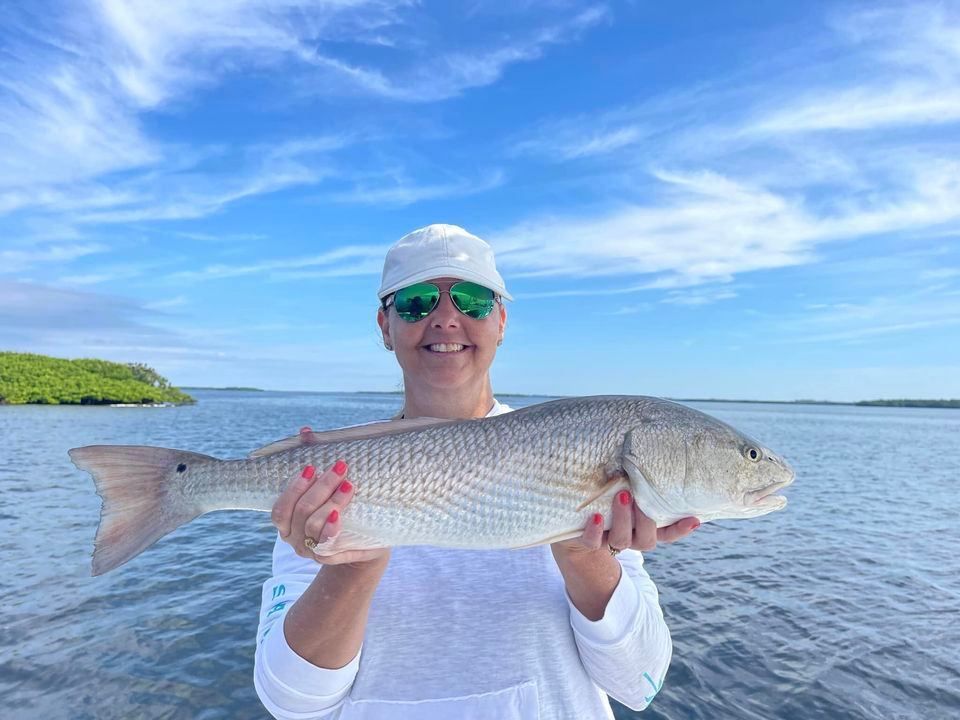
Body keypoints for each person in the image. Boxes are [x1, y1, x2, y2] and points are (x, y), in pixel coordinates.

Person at [253, 223, 699, 719]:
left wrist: (584, 554)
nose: (446, 318)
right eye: (417, 301)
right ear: (385, 326)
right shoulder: (333, 478)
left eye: (472, 300)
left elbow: (640, 684)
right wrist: (353, 569)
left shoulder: (582, 448)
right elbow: (290, 703)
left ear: (501, 321)